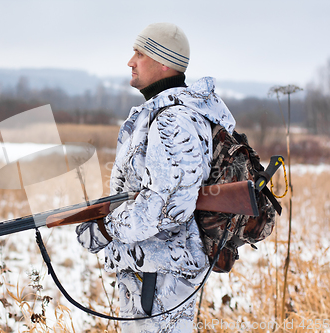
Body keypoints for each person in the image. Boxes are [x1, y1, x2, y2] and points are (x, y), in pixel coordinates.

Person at [76, 22, 236, 332]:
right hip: (150, 267)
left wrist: (107, 228)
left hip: (160, 275)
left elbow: (165, 210)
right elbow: (140, 193)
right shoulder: (162, 112)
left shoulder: (173, 121)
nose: (130, 61)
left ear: (163, 62)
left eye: (139, 53)